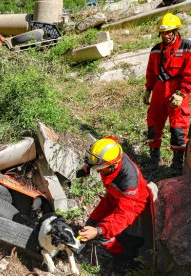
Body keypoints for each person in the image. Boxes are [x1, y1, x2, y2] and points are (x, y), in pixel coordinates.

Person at [77, 136, 150, 273]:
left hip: (131, 205)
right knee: (91, 222)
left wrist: (99, 231)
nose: (98, 172)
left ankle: (123, 256)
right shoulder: (109, 150)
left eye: (101, 169)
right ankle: (125, 239)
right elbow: (97, 155)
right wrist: (87, 167)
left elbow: (124, 214)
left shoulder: (129, 181)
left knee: (104, 235)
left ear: (113, 165)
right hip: (112, 196)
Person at [144, 13, 191, 176]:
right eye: (163, 32)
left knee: (178, 126)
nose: (166, 35)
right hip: (158, 89)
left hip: (177, 91)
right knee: (153, 123)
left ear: (176, 30)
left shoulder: (187, 47)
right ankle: (154, 159)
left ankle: (177, 164)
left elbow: (189, 73)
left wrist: (182, 92)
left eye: (169, 31)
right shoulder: (156, 50)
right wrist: (148, 89)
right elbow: (150, 72)